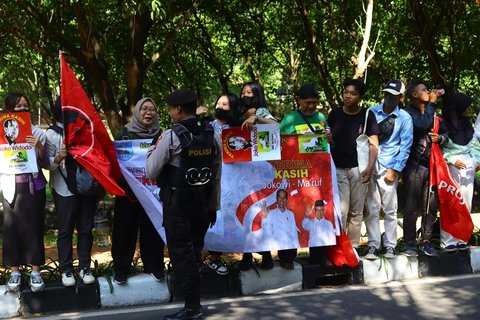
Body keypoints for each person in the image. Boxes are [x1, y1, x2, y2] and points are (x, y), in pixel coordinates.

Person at [146, 89, 221, 320]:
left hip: (178, 205)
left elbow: (151, 171)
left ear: (178, 109)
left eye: (169, 109)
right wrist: (212, 207)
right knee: (195, 252)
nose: (169, 113)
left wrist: (151, 149)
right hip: (201, 205)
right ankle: (194, 302)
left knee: (182, 255)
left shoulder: (171, 136)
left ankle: (192, 307)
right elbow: (216, 174)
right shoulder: (212, 134)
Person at [111, 97, 165, 284]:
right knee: (124, 229)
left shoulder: (161, 135)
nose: (148, 113)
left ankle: (154, 266)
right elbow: (115, 161)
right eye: (144, 109)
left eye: (152, 109)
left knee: (152, 229)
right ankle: (121, 269)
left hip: (154, 192)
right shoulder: (124, 134)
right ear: (137, 112)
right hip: (128, 193)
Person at [46, 97, 98, 287]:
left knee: (85, 228)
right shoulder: (51, 134)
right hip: (63, 188)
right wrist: (59, 157)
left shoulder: (87, 129)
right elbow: (47, 164)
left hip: (86, 187)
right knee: (66, 229)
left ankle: (85, 267)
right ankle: (66, 269)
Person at [0, 93, 49, 293]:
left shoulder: (38, 133)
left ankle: (36, 273)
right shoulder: (1, 134)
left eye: (25, 105)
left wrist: (38, 147)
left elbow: (46, 163)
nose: (22, 108)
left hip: (33, 188)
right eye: (17, 106)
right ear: (9, 109)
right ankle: (15, 272)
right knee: (11, 230)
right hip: (11, 188)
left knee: (35, 228)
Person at [279, 83, 332, 267]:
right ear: (298, 100)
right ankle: (287, 257)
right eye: (307, 102)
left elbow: (326, 142)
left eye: (314, 103)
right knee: (294, 213)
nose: (311, 106)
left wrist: (328, 138)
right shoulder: (289, 119)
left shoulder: (321, 117)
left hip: (317, 176)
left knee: (318, 214)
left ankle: (318, 257)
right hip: (296, 174)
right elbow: (283, 146)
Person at [327, 79, 379, 249]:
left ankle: (353, 248)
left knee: (356, 212)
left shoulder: (367, 115)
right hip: (338, 168)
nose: (348, 96)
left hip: (359, 169)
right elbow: (325, 140)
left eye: (353, 93)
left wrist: (370, 167)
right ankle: (339, 248)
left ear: (360, 97)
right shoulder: (334, 114)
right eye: (346, 92)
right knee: (341, 211)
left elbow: (373, 144)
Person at [364, 80, 413, 260]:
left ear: (401, 97)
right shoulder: (371, 112)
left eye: (393, 95)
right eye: (387, 94)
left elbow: (405, 146)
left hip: (389, 166)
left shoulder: (405, 118)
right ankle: (373, 245)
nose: (389, 98)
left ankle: (390, 245)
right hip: (370, 165)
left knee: (390, 210)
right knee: (371, 208)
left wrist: (395, 169)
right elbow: (364, 139)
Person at [402, 80, 448, 257]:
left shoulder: (433, 114)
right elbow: (421, 124)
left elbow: (446, 133)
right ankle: (409, 243)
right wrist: (432, 103)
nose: (428, 91)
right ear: (414, 95)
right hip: (415, 166)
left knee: (430, 205)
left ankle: (426, 241)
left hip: (433, 165)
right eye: (423, 90)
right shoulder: (407, 114)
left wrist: (441, 139)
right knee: (411, 206)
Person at [238, 82, 278, 271]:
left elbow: (275, 125)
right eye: (243, 92)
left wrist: (256, 118)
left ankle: (266, 254)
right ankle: (246, 255)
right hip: (241, 170)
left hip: (260, 171)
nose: (246, 95)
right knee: (244, 210)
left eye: (250, 92)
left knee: (261, 211)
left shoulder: (261, 111)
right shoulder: (237, 111)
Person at [205, 93, 243, 276]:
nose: (220, 106)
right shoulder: (207, 127)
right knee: (216, 218)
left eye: (225, 104)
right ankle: (213, 257)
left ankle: (249, 255)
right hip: (215, 181)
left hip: (236, 182)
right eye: (218, 103)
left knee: (236, 217)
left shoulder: (240, 129)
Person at [441, 93, 480, 251]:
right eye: (466, 106)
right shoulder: (445, 124)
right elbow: (440, 148)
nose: (468, 109)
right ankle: (448, 240)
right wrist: (452, 160)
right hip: (452, 167)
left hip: (468, 167)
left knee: (466, 203)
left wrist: (477, 160)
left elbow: (474, 145)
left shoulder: (467, 124)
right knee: (452, 203)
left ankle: (462, 238)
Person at [260, 189, 300, 269]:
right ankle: (283, 261)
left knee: (289, 244)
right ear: (276, 199)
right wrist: (264, 217)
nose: (282, 200)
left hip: (288, 246)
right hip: (276, 243)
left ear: (287, 199)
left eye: (284, 197)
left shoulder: (290, 214)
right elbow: (266, 232)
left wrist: (296, 245)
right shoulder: (271, 213)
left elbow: (293, 233)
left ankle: (287, 261)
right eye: (280, 197)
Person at [302, 200, 336, 267]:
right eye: (317, 210)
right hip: (313, 252)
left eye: (321, 210)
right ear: (314, 211)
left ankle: (324, 260)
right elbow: (304, 226)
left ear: (324, 211)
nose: (319, 212)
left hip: (325, 251)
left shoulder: (328, 223)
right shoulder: (311, 222)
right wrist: (307, 216)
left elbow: (332, 240)